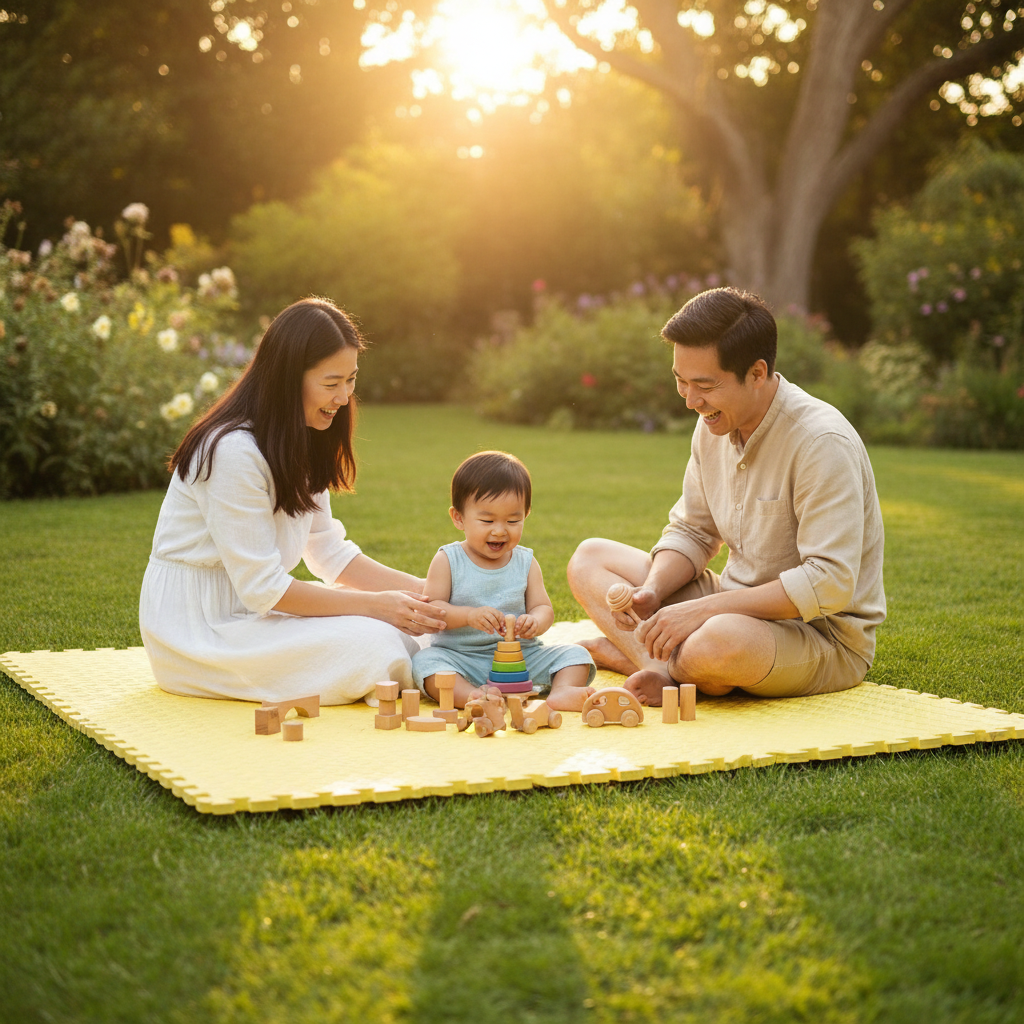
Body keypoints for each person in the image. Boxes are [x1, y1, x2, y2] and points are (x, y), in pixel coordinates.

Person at [567, 287, 885, 705]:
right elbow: (693, 532)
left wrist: (702, 612)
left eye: (704, 385)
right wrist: (653, 590)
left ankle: (648, 659)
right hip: (730, 603)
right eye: (681, 381)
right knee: (590, 558)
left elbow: (829, 583)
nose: (691, 401)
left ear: (757, 373)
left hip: (819, 636)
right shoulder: (714, 422)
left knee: (717, 642)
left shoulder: (821, 443)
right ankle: (661, 668)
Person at [139, 297, 446, 705]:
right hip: (200, 630)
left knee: (419, 630)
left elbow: (330, 553)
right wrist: (377, 606)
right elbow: (263, 588)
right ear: (287, 379)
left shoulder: (303, 437)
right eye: (331, 384)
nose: (344, 397)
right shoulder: (231, 451)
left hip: (257, 615)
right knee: (380, 645)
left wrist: (433, 595)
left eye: (351, 380)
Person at [413, 450, 596, 711]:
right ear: (459, 518)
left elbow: (543, 608)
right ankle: (473, 696)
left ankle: (562, 692)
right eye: (487, 520)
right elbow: (433, 611)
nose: (500, 530)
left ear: (526, 515)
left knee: (576, 655)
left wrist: (535, 621)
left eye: (513, 520)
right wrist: (468, 616)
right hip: (462, 659)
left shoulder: (526, 562)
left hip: (521, 658)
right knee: (426, 662)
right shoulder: (448, 560)